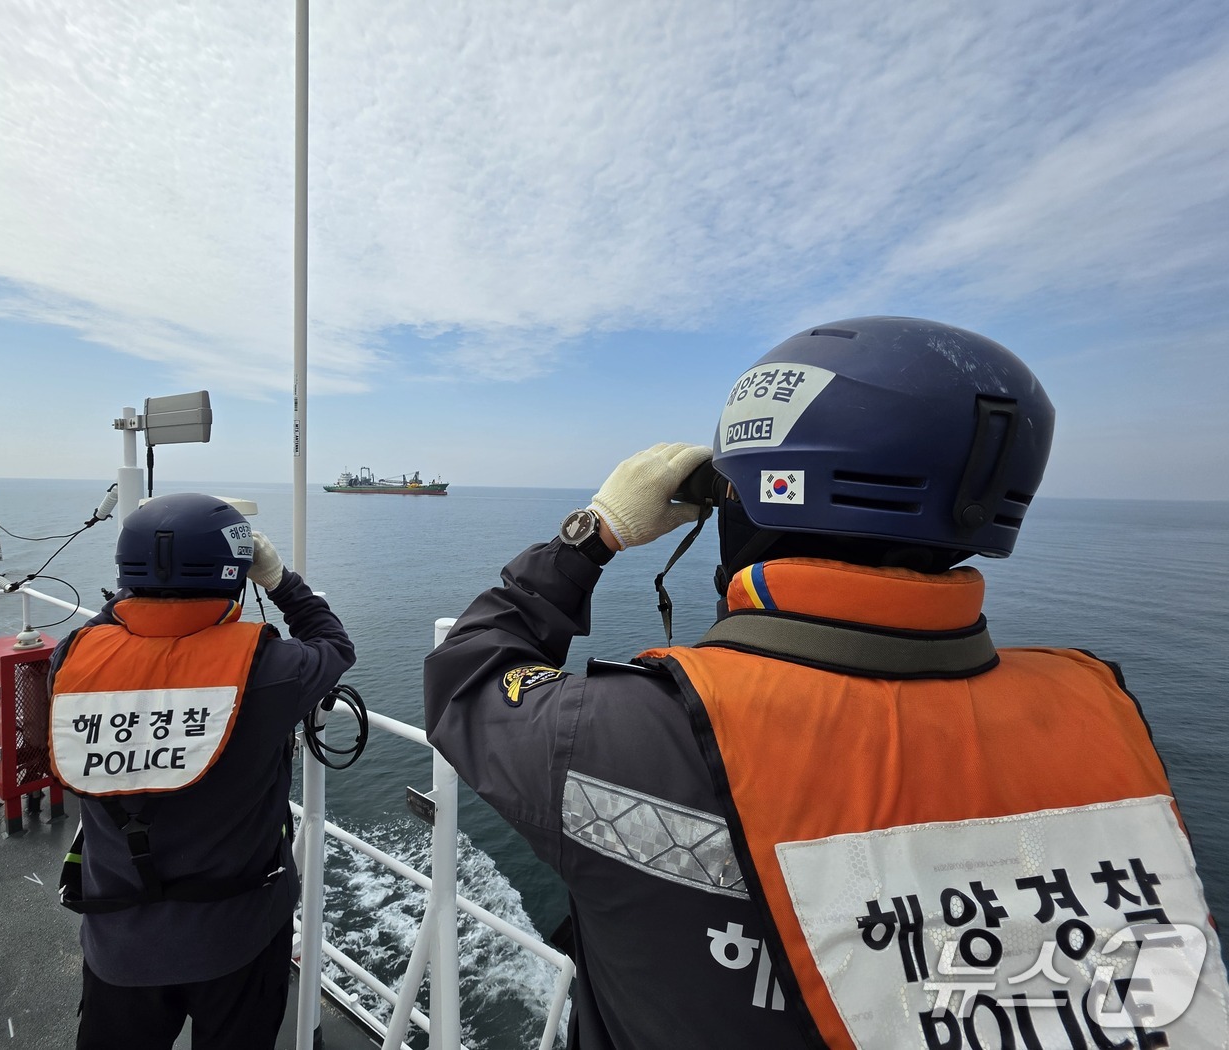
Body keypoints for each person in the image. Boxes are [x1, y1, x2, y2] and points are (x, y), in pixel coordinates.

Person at [424, 317, 1229, 1049]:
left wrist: (592, 533)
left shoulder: (627, 732)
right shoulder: (1100, 704)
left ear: (762, 503)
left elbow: (468, 676)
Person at [47, 492, 355, 1050]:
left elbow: (108, 621)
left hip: (118, 941)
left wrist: (149, 570)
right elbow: (334, 642)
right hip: (238, 937)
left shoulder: (69, 660)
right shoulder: (272, 670)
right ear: (233, 575)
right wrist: (280, 580)